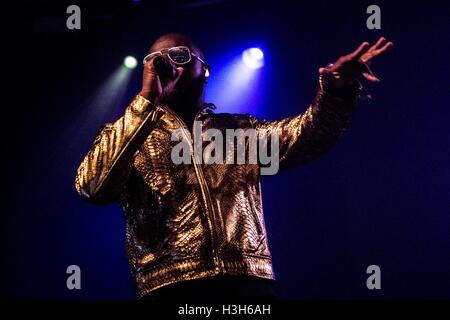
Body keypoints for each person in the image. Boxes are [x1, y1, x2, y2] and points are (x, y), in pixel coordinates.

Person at [75, 33, 393, 300]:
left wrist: (335, 91)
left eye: (180, 55)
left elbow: (308, 136)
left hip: (246, 282)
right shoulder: (128, 135)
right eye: (157, 59)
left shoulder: (237, 132)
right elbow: (91, 187)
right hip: (168, 284)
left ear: (205, 70)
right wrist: (145, 102)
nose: (168, 63)